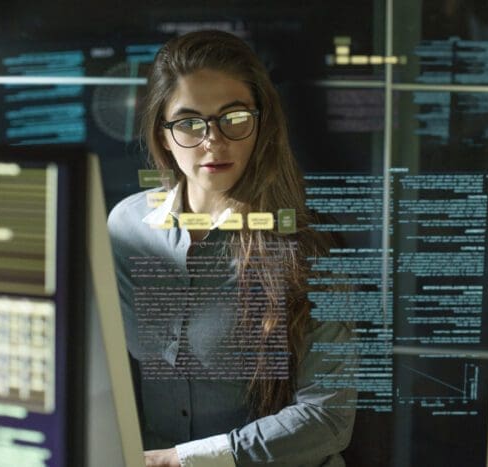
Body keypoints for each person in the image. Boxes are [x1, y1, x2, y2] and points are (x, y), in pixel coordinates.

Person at [108, 30, 356, 467]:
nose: (212, 141)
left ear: (261, 125)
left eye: (234, 117)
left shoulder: (310, 249)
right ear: (163, 135)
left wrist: (183, 459)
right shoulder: (127, 229)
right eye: (188, 122)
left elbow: (328, 416)